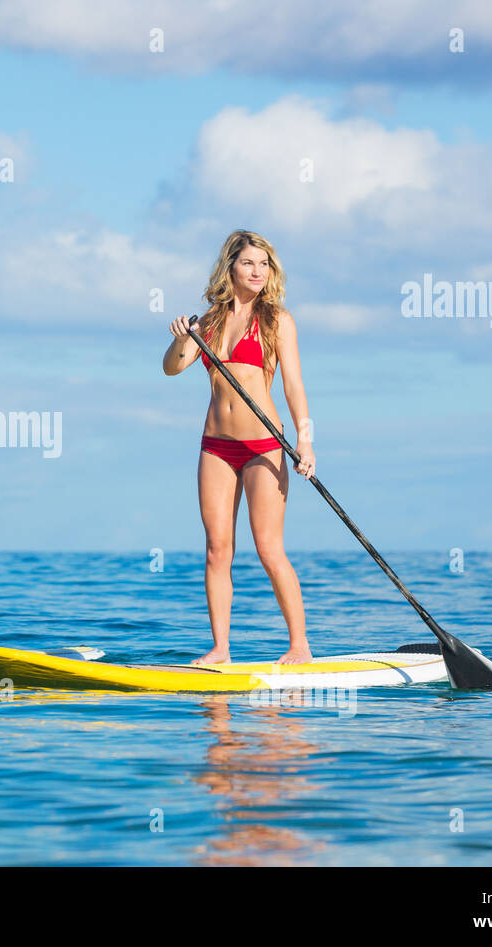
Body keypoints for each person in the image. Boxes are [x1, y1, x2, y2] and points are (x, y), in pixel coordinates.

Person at [162, 230, 316, 665]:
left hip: (265, 446)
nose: (258, 271)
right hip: (216, 447)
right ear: (231, 266)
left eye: (265, 264)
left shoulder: (277, 321)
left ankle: (299, 646)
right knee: (217, 548)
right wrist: (179, 339)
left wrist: (305, 440)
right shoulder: (206, 323)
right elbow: (172, 368)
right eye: (250, 263)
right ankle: (221, 649)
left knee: (268, 547)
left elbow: (294, 386)